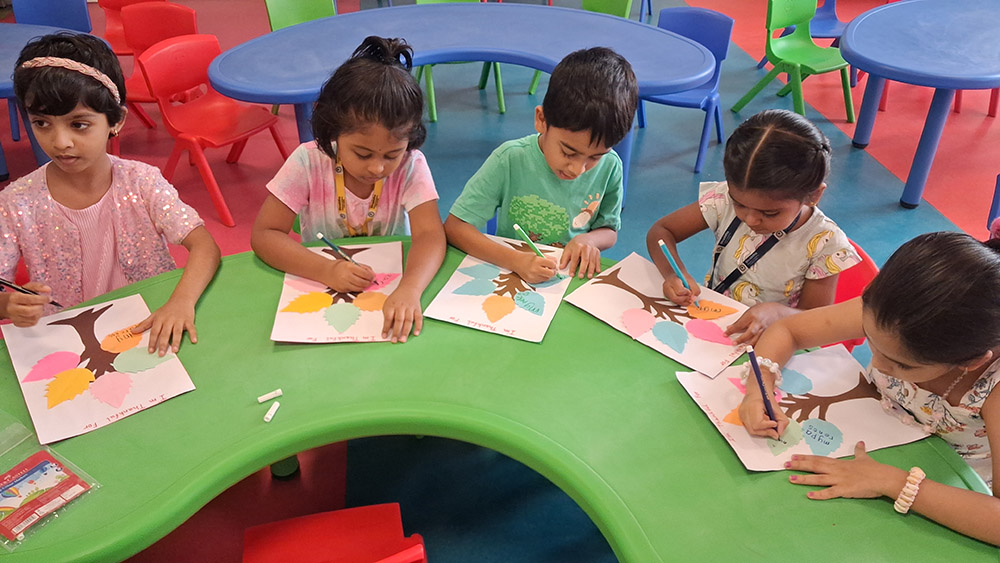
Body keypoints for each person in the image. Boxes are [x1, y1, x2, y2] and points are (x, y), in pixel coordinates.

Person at [739, 232, 1000, 545]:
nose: (877, 363)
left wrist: (891, 482)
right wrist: (759, 388)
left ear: (970, 362)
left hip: (947, 495)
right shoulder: (895, 313)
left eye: (902, 366)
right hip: (871, 440)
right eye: (870, 340)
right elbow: (788, 330)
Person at [0, 33, 220, 356]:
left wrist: (181, 302)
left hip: (151, 328)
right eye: (42, 123)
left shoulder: (142, 183)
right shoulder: (16, 201)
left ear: (116, 121)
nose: (60, 142)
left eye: (78, 124)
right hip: (68, 345)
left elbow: (204, 247)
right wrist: (8, 304)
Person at [251, 36, 445, 343]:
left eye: (391, 155)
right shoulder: (308, 161)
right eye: (363, 154)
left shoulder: (411, 165)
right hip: (321, 287)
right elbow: (265, 234)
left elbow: (431, 235)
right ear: (334, 131)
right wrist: (325, 270)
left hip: (389, 291)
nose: (377, 168)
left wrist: (410, 289)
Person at [647, 109, 859, 345]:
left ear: (813, 195)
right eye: (739, 204)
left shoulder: (824, 243)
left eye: (770, 213)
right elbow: (662, 232)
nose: (750, 219)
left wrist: (778, 314)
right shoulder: (723, 199)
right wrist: (674, 274)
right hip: (712, 327)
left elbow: (816, 320)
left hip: (772, 345)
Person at [444, 47, 638, 283]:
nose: (577, 170)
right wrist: (515, 260)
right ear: (541, 119)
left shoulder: (611, 166)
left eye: (595, 157)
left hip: (568, 279)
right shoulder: (510, 159)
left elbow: (609, 231)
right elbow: (455, 227)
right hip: (513, 273)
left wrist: (588, 240)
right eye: (568, 152)